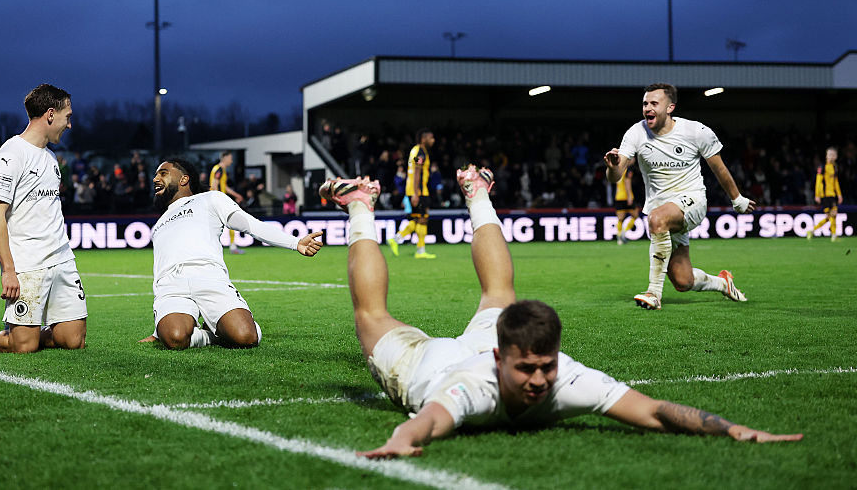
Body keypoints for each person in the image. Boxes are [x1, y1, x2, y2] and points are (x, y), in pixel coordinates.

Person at [319, 167, 802, 457]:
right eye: (525, 369)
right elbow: (428, 421)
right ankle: (361, 205)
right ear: (500, 359)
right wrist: (402, 440)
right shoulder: (471, 388)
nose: (537, 380)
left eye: (544, 367)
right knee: (371, 317)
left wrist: (732, 428)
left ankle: (479, 193)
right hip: (427, 366)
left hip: (485, 343)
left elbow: (653, 411)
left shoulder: (564, 376)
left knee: (500, 295)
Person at [140, 158, 323, 350]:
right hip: (172, 285)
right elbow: (159, 271)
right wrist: (158, 329)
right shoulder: (158, 224)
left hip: (210, 277)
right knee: (174, 338)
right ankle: (210, 335)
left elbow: (250, 225)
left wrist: (294, 242)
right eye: (155, 174)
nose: (155, 179)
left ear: (184, 179)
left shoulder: (210, 199)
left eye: (163, 173)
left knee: (246, 337)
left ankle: (221, 328)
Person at [604, 83, 755, 310]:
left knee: (656, 219)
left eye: (654, 103)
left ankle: (653, 293)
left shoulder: (696, 132)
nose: (648, 108)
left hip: (692, 201)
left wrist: (738, 199)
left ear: (670, 107)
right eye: (645, 103)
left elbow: (720, 169)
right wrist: (613, 166)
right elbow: (615, 176)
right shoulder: (636, 133)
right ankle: (722, 283)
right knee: (683, 281)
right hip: (663, 210)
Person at [0, 84, 86, 353]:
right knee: (24, 347)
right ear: (50, 114)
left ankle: (33, 329)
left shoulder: (50, 158)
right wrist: (9, 271)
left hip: (62, 260)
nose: (69, 124)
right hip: (29, 264)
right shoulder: (11, 153)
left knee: (74, 341)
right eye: (67, 116)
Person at [388, 128, 436, 258]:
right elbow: (417, 172)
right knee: (422, 219)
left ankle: (397, 239)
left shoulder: (415, 150)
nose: (433, 140)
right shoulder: (420, 152)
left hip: (414, 190)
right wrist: (416, 193)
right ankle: (420, 250)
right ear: (423, 139)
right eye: (430, 138)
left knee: (418, 218)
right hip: (418, 191)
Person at [210, 151, 245, 254]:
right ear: (224, 158)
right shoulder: (219, 169)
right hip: (218, 201)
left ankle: (232, 246)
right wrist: (216, 199)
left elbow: (224, 186)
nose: (232, 160)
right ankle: (232, 247)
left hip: (219, 200)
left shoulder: (221, 170)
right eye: (230, 158)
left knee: (228, 221)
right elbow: (214, 184)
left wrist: (236, 195)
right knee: (230, 220)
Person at [808, 146, 843, 242]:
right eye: (830, 154)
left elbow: (836, 182)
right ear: (827, 156)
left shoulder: (834, 167)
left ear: (836, 157)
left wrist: (839, 194)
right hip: (825, 195)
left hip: (832, 194)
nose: (832, 156)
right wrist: (817, 195)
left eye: (833, 155)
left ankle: (812, 230)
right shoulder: (822, 167)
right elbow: (818, 182)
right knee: (833, 214)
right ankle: (834, 235)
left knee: (830, 217)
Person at [613, 161, 643, 245]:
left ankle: (619, 237)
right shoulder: (628, 170)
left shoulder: (618, 170)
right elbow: (627, 182)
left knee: (620, 219)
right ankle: (624, 232)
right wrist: (629, 196)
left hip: (618, 196)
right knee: (635, 215)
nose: (633, 160)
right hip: (626, 196)